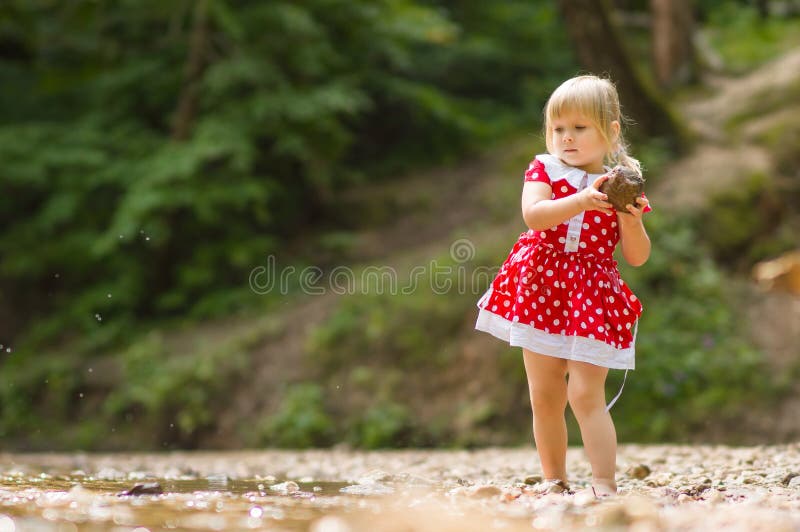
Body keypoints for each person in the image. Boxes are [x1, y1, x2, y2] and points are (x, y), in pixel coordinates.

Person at [475, 75, 652, 498]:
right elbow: (534, 216)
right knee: (545, 393)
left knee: (586, 393)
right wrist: (581, 200)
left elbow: (638, 256)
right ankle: (555, 479)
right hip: (540, 285)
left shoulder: (620, 182)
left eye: (579, 128)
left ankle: (604, 482)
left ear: (609, 132)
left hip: (592, 293)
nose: (566, 138)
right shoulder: (544, 168)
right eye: (558, 129)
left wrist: (631, 219)